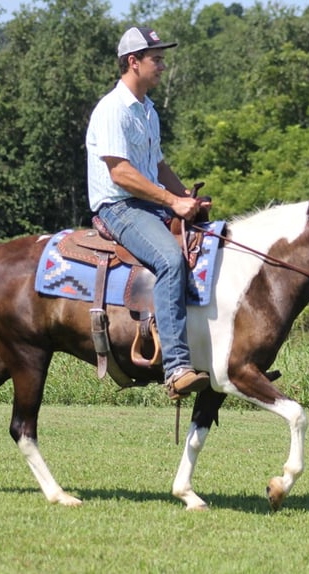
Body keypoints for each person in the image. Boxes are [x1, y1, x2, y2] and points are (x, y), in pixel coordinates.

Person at [86, 26, 210, 399]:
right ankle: (176, 369)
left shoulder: (148, 111)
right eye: (156, 59)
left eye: (162, 58)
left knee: (208, 246)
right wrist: (173, 203)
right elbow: (120, 172)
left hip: (148, 203)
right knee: (172, 260)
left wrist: (187, 196)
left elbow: (157, 166)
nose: (162, 65)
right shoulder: (112, 109)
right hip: (119, 207)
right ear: (133, 62)